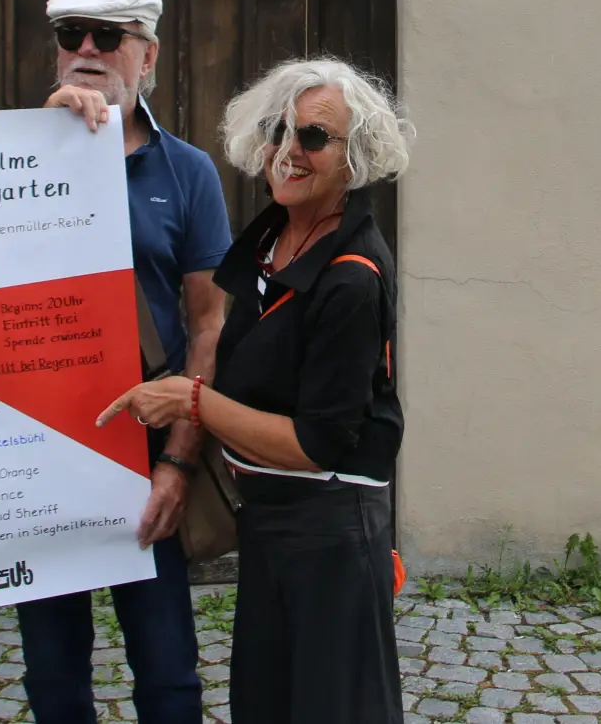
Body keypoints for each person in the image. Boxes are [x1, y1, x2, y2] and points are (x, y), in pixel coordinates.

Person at [97, 57, 415, 723]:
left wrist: (191, 401)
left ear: (353, 157)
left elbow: (317, 445)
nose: (289, 151)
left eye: (314, 137)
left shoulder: (351, 277)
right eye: (279, 130)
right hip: (269, 524)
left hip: (330, 531)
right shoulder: (274, 238)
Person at [18, 0, 231, 724]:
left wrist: (179, 460)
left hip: (145, 444)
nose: (86, 49)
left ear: (148, 56)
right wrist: (45, 147)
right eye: (69, 35)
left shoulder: (187, 171)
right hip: (42, 445)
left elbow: (208, 325)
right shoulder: (6, 157)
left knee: (168, 667)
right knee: (52, 672)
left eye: (108, 36)